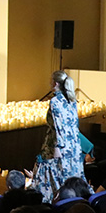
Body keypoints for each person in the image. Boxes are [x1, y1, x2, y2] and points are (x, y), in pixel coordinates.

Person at [30, 70, 83, 203]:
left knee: (54, 175)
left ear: (55, 84)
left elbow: (58, 126)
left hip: (58, 145)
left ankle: (52, 201)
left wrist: (57, 147)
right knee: (70, 175)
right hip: (73, 145)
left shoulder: (55, 101)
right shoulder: (72, 100)